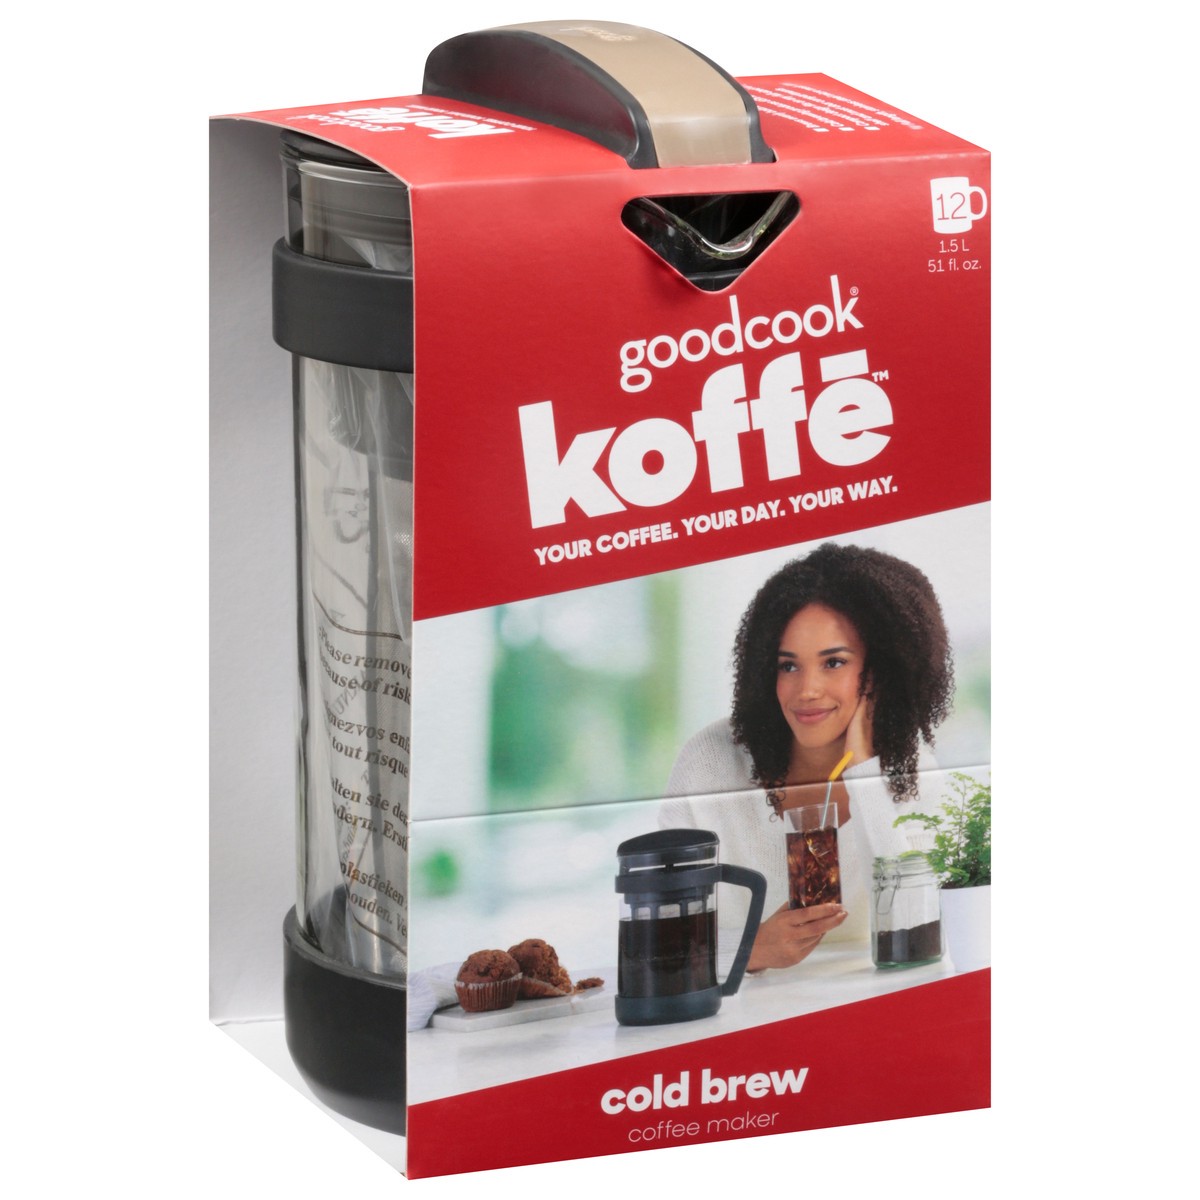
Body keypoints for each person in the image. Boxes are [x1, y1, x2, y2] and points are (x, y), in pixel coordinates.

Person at [660, 542, 954, 973]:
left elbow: (918, 932)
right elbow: (658, 942)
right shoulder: (711, 762)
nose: (807, 690)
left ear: (881, 670)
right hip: (743, 1008)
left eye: (833, 662)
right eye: (789, 666)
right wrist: (751, 951)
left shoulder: (914, 772)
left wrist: (864, 774)